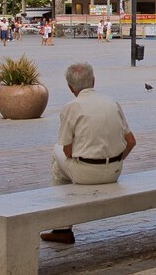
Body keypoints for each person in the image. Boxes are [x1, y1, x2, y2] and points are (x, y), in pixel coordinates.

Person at [42, 62, 137, 245]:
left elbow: (67, 150)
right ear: (93, 81)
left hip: (86, 174)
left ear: (70, 87)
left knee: (56, 156)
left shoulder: (71, 107)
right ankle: (62, 227)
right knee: (64, 158)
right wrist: (113, 160)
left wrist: (85, 156)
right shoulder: (113, 103)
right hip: (115, 171)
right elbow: (131, 141)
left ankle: (61, 228)